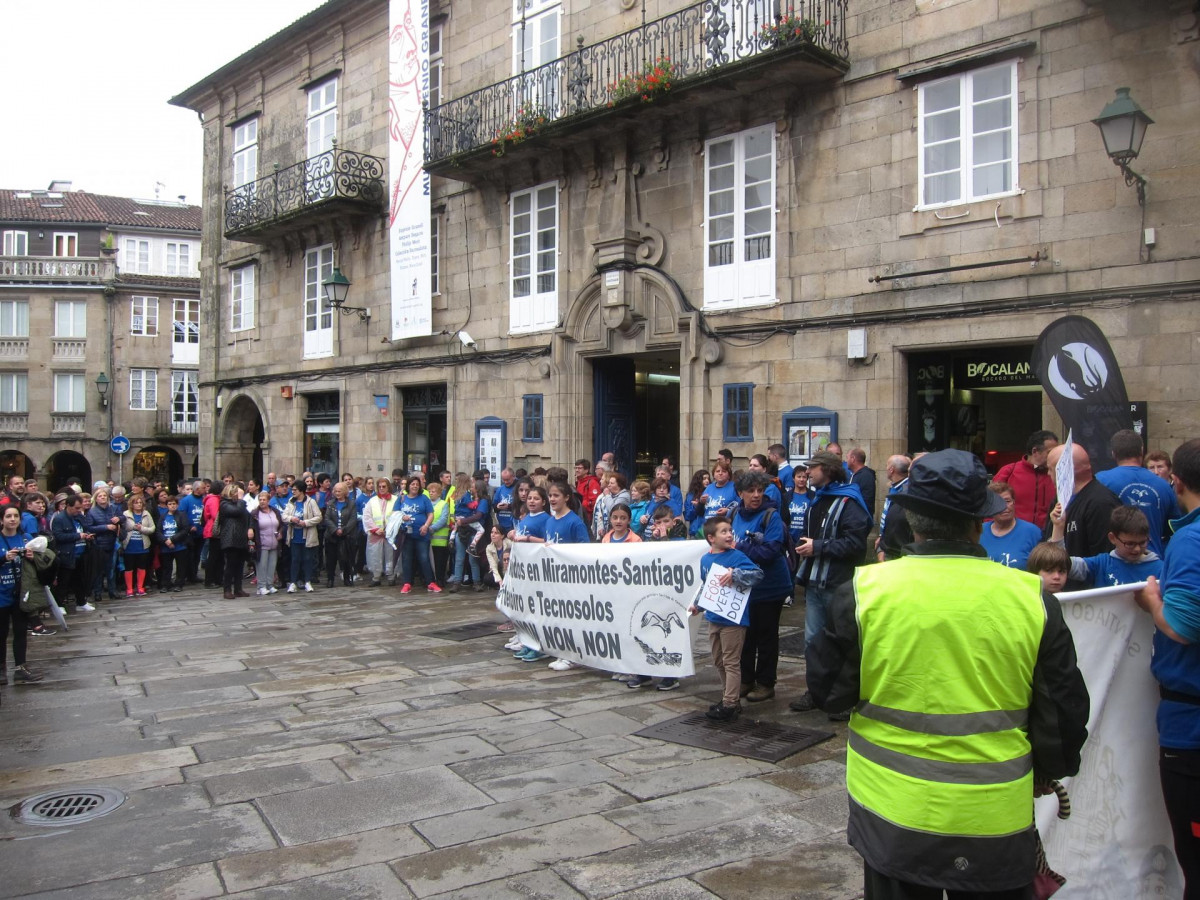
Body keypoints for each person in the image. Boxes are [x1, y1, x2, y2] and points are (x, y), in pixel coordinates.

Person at [806, 449, 1090, 899]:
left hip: (891, 810)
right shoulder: (1030, 598)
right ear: (979, 523)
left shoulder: (864, 592)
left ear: (913, 521)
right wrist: (1049, 769)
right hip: (992, 815)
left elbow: (830, 694)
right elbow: (1064, 712)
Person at [1134, 438, 1200, 897]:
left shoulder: (1191, 540)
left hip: (1191, 727)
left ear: (1175, 480)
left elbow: (1184, 624)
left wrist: (1153, 603)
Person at [790, 450, 873, 715]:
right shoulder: (818, 500)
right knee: (812, 642)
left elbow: (856, 544)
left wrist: (818, 547)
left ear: (827, 469)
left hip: (839, 585)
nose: (808, 473)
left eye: (813, 468)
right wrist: (806, 545)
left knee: (842, 642)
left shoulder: (850, 502)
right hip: (815, 583)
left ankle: (842, 698)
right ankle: (816, 692)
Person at [687, 516, 763, 720]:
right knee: (719, 660)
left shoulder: (737, 557)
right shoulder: (706, 559)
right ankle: (729, 697)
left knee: (731, 661)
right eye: (724, 532)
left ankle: (730, 703)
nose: (729, 535)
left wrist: (736, 574)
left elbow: (758, 574)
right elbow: (707, 586)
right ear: (711, 538)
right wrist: (699, 605)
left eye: (730, 530)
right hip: (714, 617)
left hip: (733, 621)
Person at [728, 469, 792, 704]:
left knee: (766, 637)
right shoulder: (735, 513)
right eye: (751, 491)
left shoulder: (771, 516)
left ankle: (766, 683)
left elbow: (769, 551)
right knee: (745, 636)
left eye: (760, 490)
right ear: (740, 493)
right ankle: (746, 679)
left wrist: (739, 547)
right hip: (744, 587)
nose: (756, 495)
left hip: (769, 587)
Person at [1046, 443, 1122, 590]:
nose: (1048, 474)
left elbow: (1105, 558)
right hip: (1061, 591)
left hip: (1088, 599)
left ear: (1065, 470)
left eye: (1051, 469)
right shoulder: (1059, 501)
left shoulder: (1101, 503)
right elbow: (1048, 547)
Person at [1096, 428, 1180, 556]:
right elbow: (1173, 527)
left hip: (1114, 563)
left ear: (1113, 453)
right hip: (1153, 562)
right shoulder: (1164, 486)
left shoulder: (1099, 481)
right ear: (1141, 450)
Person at [1048, 504, 1162, 588]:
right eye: (1130, 544)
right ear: (1112, 538)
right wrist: (1058, 527)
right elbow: (1063, 564)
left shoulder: (1161, 569)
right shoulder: (1101, 564)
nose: (1137, 549)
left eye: (1142, 542)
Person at [0, 506, 41, 684]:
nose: (12, 519)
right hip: (2, 593)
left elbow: (41, 564)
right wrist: (4, 558)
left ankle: (20, 667)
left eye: (15, 516)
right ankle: (1, 670)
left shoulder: (26, 538)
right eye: (8, 516)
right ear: (1, 520)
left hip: (21, 593)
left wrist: (33, 557)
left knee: (20, 631)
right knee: (1, 633)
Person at [995, 430, 1059, 529]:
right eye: (1050, 452)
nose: (1054, 456)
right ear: (1035, 451)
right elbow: (991, 504)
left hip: (1047, 537)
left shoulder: (1057, 474)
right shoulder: (1009, 471)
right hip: (1014, 535)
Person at [980, 482, 1043, 571]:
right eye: (998, 503)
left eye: (1007, 501)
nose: (1004, 506)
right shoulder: (978, 531)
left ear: (1014, 502)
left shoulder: (1032, 532)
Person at [397, 475, 440, 594]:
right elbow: (395, 513)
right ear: (408, 486)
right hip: (406, 534)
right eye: (412, 484)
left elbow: (430, 514)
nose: (415, 486)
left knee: (424, 558)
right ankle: (407, 583)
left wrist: (426, 526)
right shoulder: (402, 498)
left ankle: (430, 582)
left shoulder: (424, 498)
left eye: (417, 484)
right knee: (407, 559)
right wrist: (402, 517)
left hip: (422, 534)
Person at [51, 493, 92, 612]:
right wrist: (77, 536)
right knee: (64, 581)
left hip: (80, 553)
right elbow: (58, 536)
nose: (79, 510)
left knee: (80, 580)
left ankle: (81, 602)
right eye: (76, 508)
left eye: (80, 508)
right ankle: (59, 605)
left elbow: (85, 528)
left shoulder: (79, 517)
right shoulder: (59, 519)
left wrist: (87, 535)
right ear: (68, 506)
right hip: (67, 554)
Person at [284, 482, 322, 593]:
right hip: (294, 536)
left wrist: (306, 522)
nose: (293, 491)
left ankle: (307, 581)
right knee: (295, 559)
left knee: (307, 559)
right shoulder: (291, 501)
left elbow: (318, 517)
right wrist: (291, 519)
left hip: (308, 536)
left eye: (295, 489)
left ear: (301, 490)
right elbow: (284, 516)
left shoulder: (311, 502)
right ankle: (293, 582)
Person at [323, 481, 360, 588]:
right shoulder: (330, 503)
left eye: (339, 491)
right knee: (331, 559)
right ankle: (330, 579)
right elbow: (327, 518)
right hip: (332, 536)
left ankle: (347, 578)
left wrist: (343, 530)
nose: (337, 493)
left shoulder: (351, 504)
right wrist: (335, 530)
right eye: (336, 491)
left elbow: (353, 519)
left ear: (344, 492)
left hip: (347, 535)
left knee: (347, 558)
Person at [874, 455, 911, 562]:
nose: (886, 468)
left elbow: (898, 524)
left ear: (891, 470)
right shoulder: (895, 487)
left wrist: (884, 545)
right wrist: (882, 536)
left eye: (887, 465)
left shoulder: (906, 490)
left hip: (896, 550)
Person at [363, 477, 398, 587]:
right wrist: (375, 529)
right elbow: (367, 516)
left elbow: (397, 515)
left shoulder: (395, 499)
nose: (382, 489)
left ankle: (391, 576)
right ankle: (376, 577)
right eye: (380, 487)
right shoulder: (372, 501)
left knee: (391, 555)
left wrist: (389, 529)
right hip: (376, 534)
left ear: (388, 487)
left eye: (384, 486)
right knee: (375, 555)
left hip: (390, 534)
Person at [121, 493, 156, 597]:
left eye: (140, 503)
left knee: (142, 567)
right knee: (129, 568)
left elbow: (152, 528)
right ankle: (129, 589)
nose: (139, 505)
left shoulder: (146, 513)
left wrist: (142, 529)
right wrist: (134, 527)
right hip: (129, 545)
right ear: (132, 504)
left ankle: (140, 587)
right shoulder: (126, 514)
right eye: (136, 503)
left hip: (143, 545)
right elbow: (123, 528)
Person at [252, 491, 283, 596]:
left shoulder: (275, 512)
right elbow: (252, 528)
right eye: (260, 500)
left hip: (274, 543)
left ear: (268, 501)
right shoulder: (255, 513)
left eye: (264, 500)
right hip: (261, 544)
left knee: (272, 566)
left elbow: (281, 525)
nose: (262, 502)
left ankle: (270, 585)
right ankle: (261, 586)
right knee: (262, 566)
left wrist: (280, 532)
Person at [156, 495, 189, 592]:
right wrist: (166, 541)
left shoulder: (182, 515)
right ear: (167, 506)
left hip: (180, 546)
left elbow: (185, 529)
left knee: (180, 566)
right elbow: (158, 531)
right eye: (170, 504)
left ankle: (179, 584)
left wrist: (173, 540)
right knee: (166, 567)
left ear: (177, 505)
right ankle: (166, 584)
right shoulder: (163, 516)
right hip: (166, 546)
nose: (172, 506)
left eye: (174, 504)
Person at [593, 472, 631, 540]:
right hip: (608, 530)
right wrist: (602, 526)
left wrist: (607, 496)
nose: (609, 485)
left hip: (620, 530)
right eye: (609, 483)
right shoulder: (610, 496)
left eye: (612, 483)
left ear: (619, 485)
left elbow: (614, 509)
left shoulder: (624, 496)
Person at [846, 448, 877, 517]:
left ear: (853, 459)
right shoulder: (856, 475)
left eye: (847, 457)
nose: (846, 461)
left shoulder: (866, 476)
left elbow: (865, 501)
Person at [574, 459, 603, 527]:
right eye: (576, 468)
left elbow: (594, 502)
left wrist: (580, 505)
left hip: (588, 517)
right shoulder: (579, 482)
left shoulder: (592, 482)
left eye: (580, 468)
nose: (577, 470)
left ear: (586, 470)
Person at [684, 469, 711, 538]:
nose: (707, 481)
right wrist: (696, 507)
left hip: (710, 530)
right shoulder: (691, 495)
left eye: (708, 478)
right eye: (704, 479)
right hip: (696, 531)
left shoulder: (712, 493)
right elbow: (688, 516)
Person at [483, 525, 511, 589]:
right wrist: (499, 580)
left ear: (502, 536)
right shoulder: (489, 548)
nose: (493, 535)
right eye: (492, 532)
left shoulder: (509, 543)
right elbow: (493, 566)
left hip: (509, 568)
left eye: (496, 533)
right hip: (498, 569)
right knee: (487, 578)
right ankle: (501, 585)